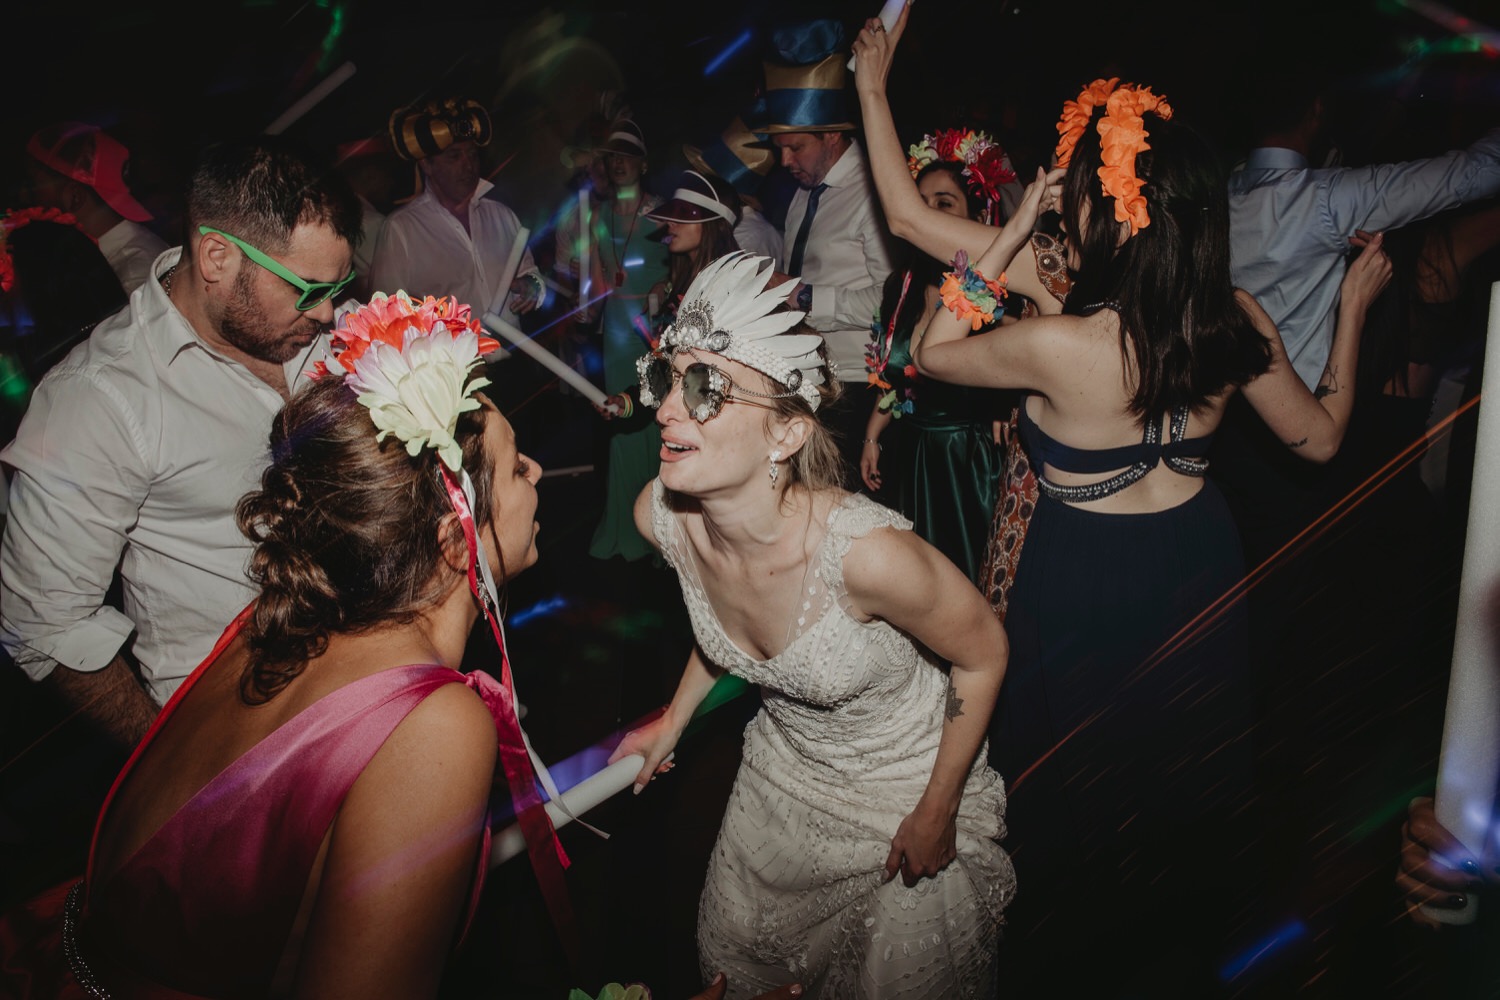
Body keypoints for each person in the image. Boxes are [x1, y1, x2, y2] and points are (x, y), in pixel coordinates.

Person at [854, 9, 1392, 992]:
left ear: (1112, 215)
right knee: (1180, 799)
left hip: (1085, 581)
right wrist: (1353, 307)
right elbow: (1319, 437)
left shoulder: (1062, 338)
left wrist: (874, 92)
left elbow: (933, 339)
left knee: (1071, 810)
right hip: (1198, 568)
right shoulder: (1233, 317)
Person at [609, 252, 1013, 999]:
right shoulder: (661, 517)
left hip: (905, 789)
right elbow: (722, 622)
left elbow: (984, 653)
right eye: (666, 379)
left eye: (705, 389)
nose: (665, 410)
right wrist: (674, 719)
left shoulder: (866, 556)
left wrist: (938, 808)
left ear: (785, 437)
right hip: (783, 786)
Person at [0, 137, 362, 746]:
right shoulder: (99, 399)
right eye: (307, 290)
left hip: (375, 683)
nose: (329, 313)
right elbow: (45, 623)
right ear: (217, 256)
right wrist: (174, 763)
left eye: (338, 285)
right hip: (245, 732)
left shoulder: (334, 331)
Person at [860, 148, 1014, 585]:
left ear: (976, 219)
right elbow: (897, 379)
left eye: (943, 204)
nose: (927, 216)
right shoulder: (901, 287)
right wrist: (872, 436)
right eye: (919, 203)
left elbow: (1025, 360)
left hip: (970, 462)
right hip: (914, 458)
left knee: (972, 575)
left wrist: (1008, 400)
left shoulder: (999, 293)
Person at [753, 21, 897, 478]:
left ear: (832, 135)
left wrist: (803, 296)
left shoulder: (874, 191)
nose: (785, 161)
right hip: (808, 375)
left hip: (857, 385)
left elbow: (892, 301)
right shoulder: (804, 192)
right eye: (779, 149)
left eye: (795, 147)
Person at [370, 98, 544, 322]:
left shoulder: (502, 215)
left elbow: (530, 272)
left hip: (514, 344)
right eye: (454, 156)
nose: (468, 165)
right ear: (426, 165)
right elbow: (384, 316)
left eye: (472, 155)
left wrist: (532, 285)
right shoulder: (401, 229)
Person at [587, 117, 671, 562]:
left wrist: (664, 291)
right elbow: (599, 277)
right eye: (613, 156)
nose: (619, 163)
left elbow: (676, 268)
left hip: (651, 328)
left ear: (643, 163)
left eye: (628, 155)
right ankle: (625, 525)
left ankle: (662, 527)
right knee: (620, 425)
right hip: (617, 329)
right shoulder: (599, 215)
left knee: (658, 420)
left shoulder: (661, 210)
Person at [24, 122, 168, 294]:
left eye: (33, 186)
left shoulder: (134, 280)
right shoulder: (93, 256)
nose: (24, 197)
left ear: (75, 196)